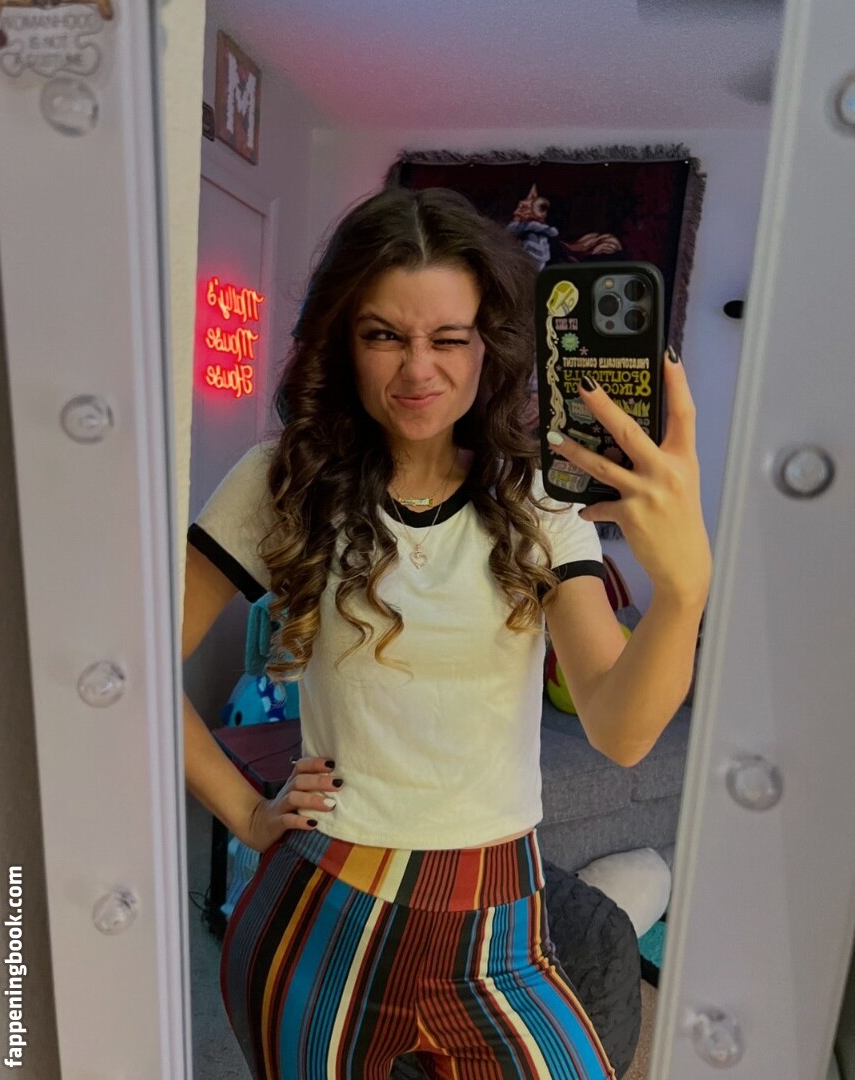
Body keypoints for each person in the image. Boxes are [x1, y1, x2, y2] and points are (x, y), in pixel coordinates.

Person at [183, 186, 712, 1080]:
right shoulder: (280, 480)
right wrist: (246, 812)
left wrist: (684, 591)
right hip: (320, 914)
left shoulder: (540, 499)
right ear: (343, 341)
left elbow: (622, 732)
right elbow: (121, 671)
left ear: (489, 343)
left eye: (450, 338)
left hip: (501, 922)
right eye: (383, 334)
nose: (417, 369)